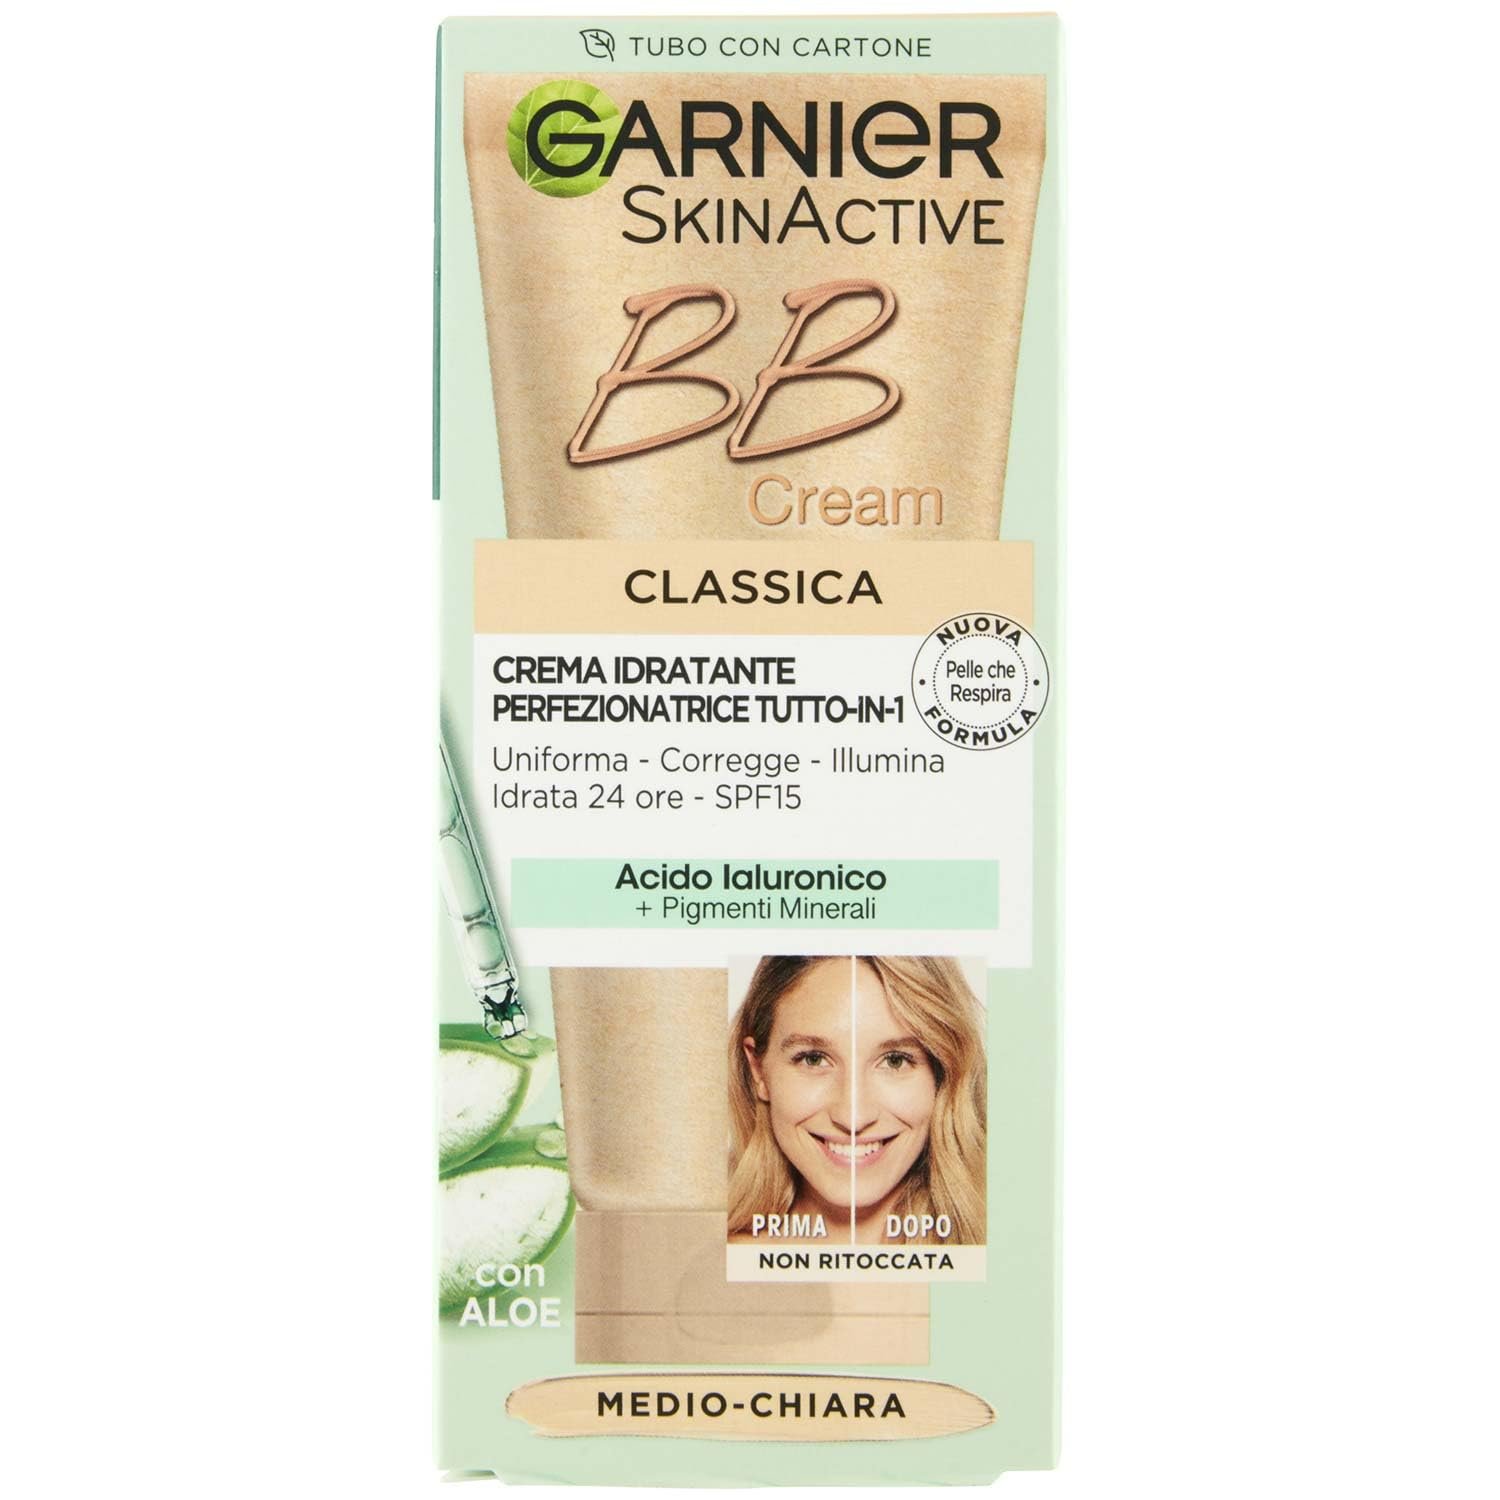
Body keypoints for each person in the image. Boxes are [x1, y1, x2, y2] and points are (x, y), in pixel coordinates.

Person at [728, 955, 986, 1244]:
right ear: (759, 1069)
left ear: (944, 1074)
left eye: (895, 1060)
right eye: (813, 1059)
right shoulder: (708, 1258)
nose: (853, 1117)